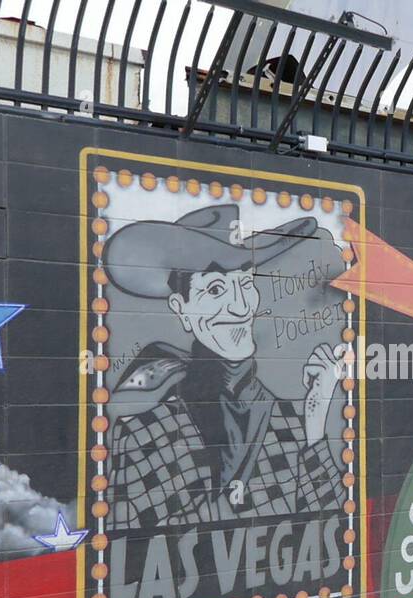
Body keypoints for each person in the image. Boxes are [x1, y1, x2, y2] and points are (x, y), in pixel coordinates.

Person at [100, 205, 346, 530]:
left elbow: (328, 531)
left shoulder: (289, 421)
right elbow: (143, 552)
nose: (241, 306)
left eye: (245, 284)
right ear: (181, 309)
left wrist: (314, 425)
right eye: (216, 289)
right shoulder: (144, 435)